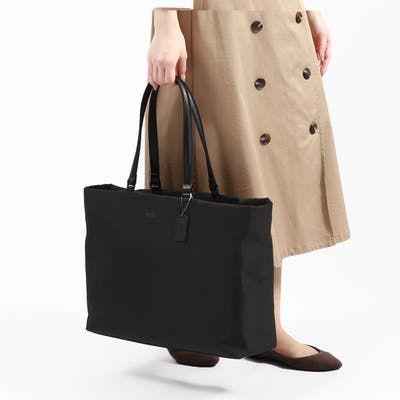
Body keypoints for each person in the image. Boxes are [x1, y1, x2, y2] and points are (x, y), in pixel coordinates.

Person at [145, 0, 350, 372]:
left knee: (271, 175)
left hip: (278, 14)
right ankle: (187, 321)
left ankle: (266, 326)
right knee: (208, 163)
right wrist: (165, 19)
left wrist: (313, 8)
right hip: (212, 19)